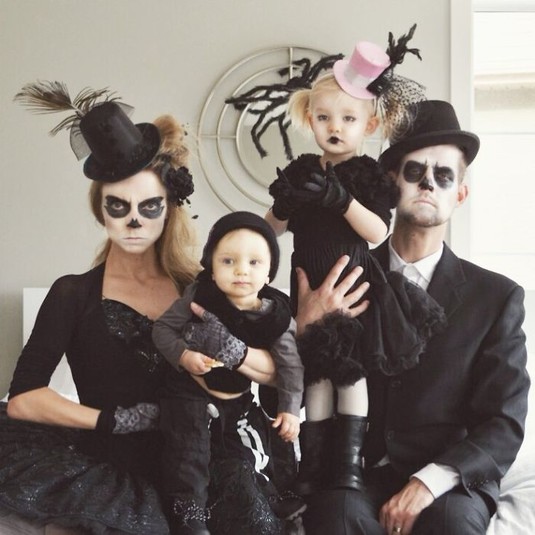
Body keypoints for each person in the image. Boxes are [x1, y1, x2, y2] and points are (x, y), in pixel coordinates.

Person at [0, 81, 280, 535]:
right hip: (116, 465)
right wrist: (114, 421)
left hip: (202, 466)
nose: (133, 220)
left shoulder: (202, 288)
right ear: (101, 211)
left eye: (149, 206)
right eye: (119, 206)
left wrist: (235, 349)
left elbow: (278, 371)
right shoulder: (73, 294)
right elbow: (24, 399)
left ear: (168, 210)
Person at [300, 99, 531, 535]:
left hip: (448, 482)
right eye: (414, 171)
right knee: (337, 518)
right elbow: (288, 393)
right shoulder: (341, 275)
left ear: (459, 194)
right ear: (391, 181)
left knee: (451, 525)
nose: (428, 184)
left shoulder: (497, 297)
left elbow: (503, 421)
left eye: (444, 176)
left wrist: (430, 482)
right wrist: (305, 329)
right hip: (356, 473)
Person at [265, 29, 445, 497]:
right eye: (324, 117)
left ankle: (348, 467)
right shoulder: (303, 170)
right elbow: (269, 231)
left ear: (368, 125)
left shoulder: (366, 174)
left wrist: (339, 199)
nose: (335, 127)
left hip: (355, 287)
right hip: (308, 289)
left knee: (350, 372)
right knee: (317, 376)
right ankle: (313, 466)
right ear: (309, 119)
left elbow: (378, 231)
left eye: (348, 118)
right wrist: (285, 204)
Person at [152, 210, 304, 534]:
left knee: (249, 454)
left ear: (269, 274)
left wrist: (290, 409)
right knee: (189, 452)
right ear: (211, 267)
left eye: (254, 262)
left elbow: (290, 366)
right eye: (228, 261)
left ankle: (273, 499)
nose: (241, 271)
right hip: (189, 393)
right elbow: (162, 330)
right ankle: (190, 515)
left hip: (237, 401)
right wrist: (184, 356)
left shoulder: (275, 317)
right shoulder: (199, 296)